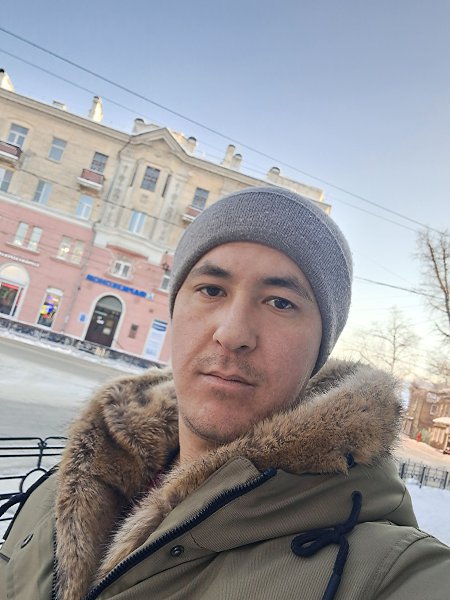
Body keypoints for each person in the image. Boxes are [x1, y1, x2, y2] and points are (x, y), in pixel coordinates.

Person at [1, 186, 449, 600]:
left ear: (320, 348)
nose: (232, 333)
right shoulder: (66, 491)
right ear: (175, 310)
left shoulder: (387, 571)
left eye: (280, 302)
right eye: (211, 289)